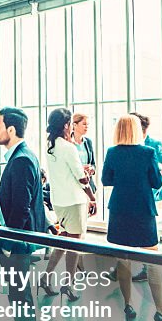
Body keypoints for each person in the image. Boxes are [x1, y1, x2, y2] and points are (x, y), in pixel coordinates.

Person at [101, 114, 162, 321]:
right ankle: (160, 311)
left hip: (120, 210)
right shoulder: (148, 153)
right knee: (152, 260)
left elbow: (106, 180)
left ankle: (128, 304)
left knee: (124, 260)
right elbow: (156, 182)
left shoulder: (112, 152)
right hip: (143, 210)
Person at [0, 107, 45, 321]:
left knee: (21, 297)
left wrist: (9, 241)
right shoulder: (21, 156)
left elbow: (22, 207)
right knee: (17, 295)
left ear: (11, 130)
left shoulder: (22, 159)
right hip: (16, 239)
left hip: (18, 242)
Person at [38, 108, 96, 299]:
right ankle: (68, 285)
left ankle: (46, 278)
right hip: (74, 201)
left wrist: (80, 168)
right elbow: (81, 178)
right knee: (74, 244)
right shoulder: (68, 147)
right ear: (66, 125)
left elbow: (67, 170)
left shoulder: (51, 146)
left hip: (59, 201)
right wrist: (92, 196)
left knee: (63, 239)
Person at [131, 113, 162, 283]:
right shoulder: (126, 145)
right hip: (133, 197)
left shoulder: (155, 145)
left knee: (147, 234)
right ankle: (123, 266)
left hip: (150, 197)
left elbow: (161, 173)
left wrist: (148, 195)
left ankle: (147, 269)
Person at [72, 113, 96, 275]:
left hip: (87, 187)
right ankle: (77, 261)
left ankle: (79, 260)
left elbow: (93, 163)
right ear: (74, 125)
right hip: (73, 188)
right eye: (84, 124)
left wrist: (91, 169)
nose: (87, 127)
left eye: (88, 124)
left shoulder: (88, 143)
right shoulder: (67, 144)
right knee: (76, 227)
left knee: (83, 226)